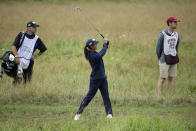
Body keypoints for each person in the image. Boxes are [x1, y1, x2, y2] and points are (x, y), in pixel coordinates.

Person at [74, 38, 113, 120]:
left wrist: (106, 45)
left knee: (106, 96)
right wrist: (105, 45)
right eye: (95, 44)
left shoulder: (94, 53)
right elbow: (101, 54)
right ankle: (78, 114)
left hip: (102, 78)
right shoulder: (92, 55)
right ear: (91, 46)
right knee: (89, 97)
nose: (96, 44)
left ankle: (109, 114)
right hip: (95, 80)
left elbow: (102, 52)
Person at [156, 16, 180, 95]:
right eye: (174, 22)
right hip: (164, 59)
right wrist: (160, 58)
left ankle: (169, 96)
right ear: (169, 23)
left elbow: (176, 47)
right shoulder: (162, 34)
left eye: (176, 22)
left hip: (173, 59)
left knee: (170, 79)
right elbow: (158, 49)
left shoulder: (176, 35)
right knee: (162, 78)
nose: (176, 24)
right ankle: (159, 97)